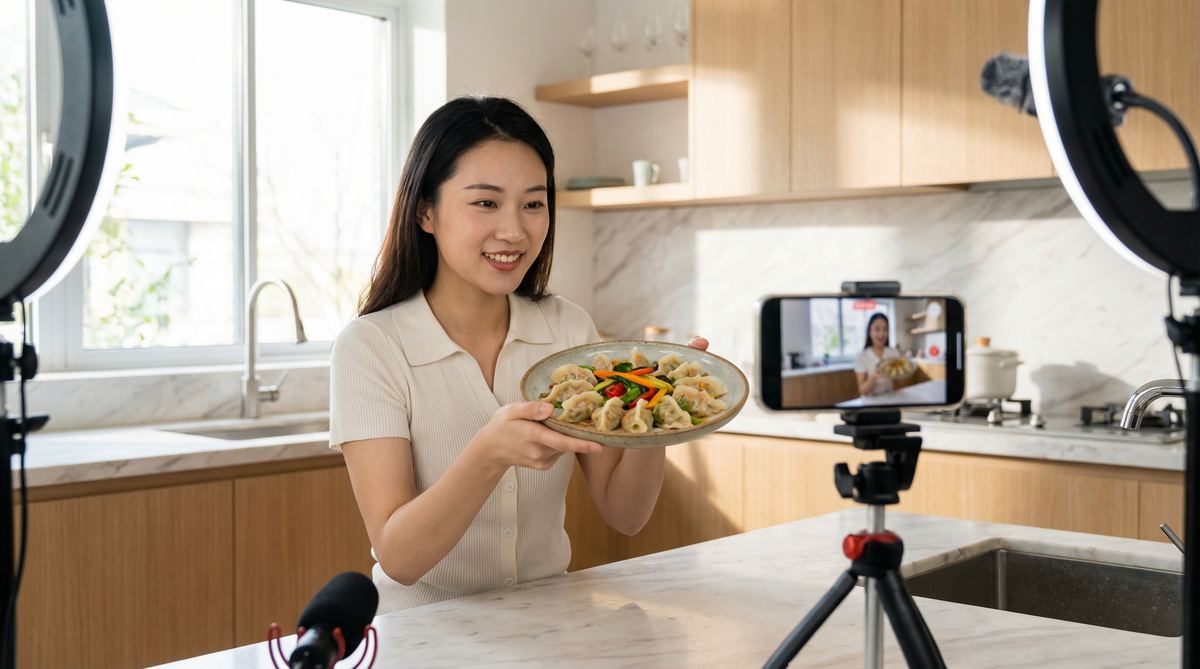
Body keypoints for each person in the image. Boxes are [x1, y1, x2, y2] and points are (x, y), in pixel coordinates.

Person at [328, 96, 708, 614]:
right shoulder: (371, 347)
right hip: (423, 637)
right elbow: (399, 558)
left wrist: (656, 401)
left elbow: (625, 514)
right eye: (486, 203)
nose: (515, 230)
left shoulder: (567, 329)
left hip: (548, 626)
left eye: (533, 203)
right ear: (426, 212)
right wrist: (489, 454)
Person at [855, 312, 900, 397]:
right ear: (869, 332)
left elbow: (898, 381)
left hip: (889, 400)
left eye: (885, 329)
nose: (881, 334)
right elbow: (862, 390)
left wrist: (898, 372)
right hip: (869, 404)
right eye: (877, 329)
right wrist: (873, 377)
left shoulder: (894, 352)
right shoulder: (862, 356)